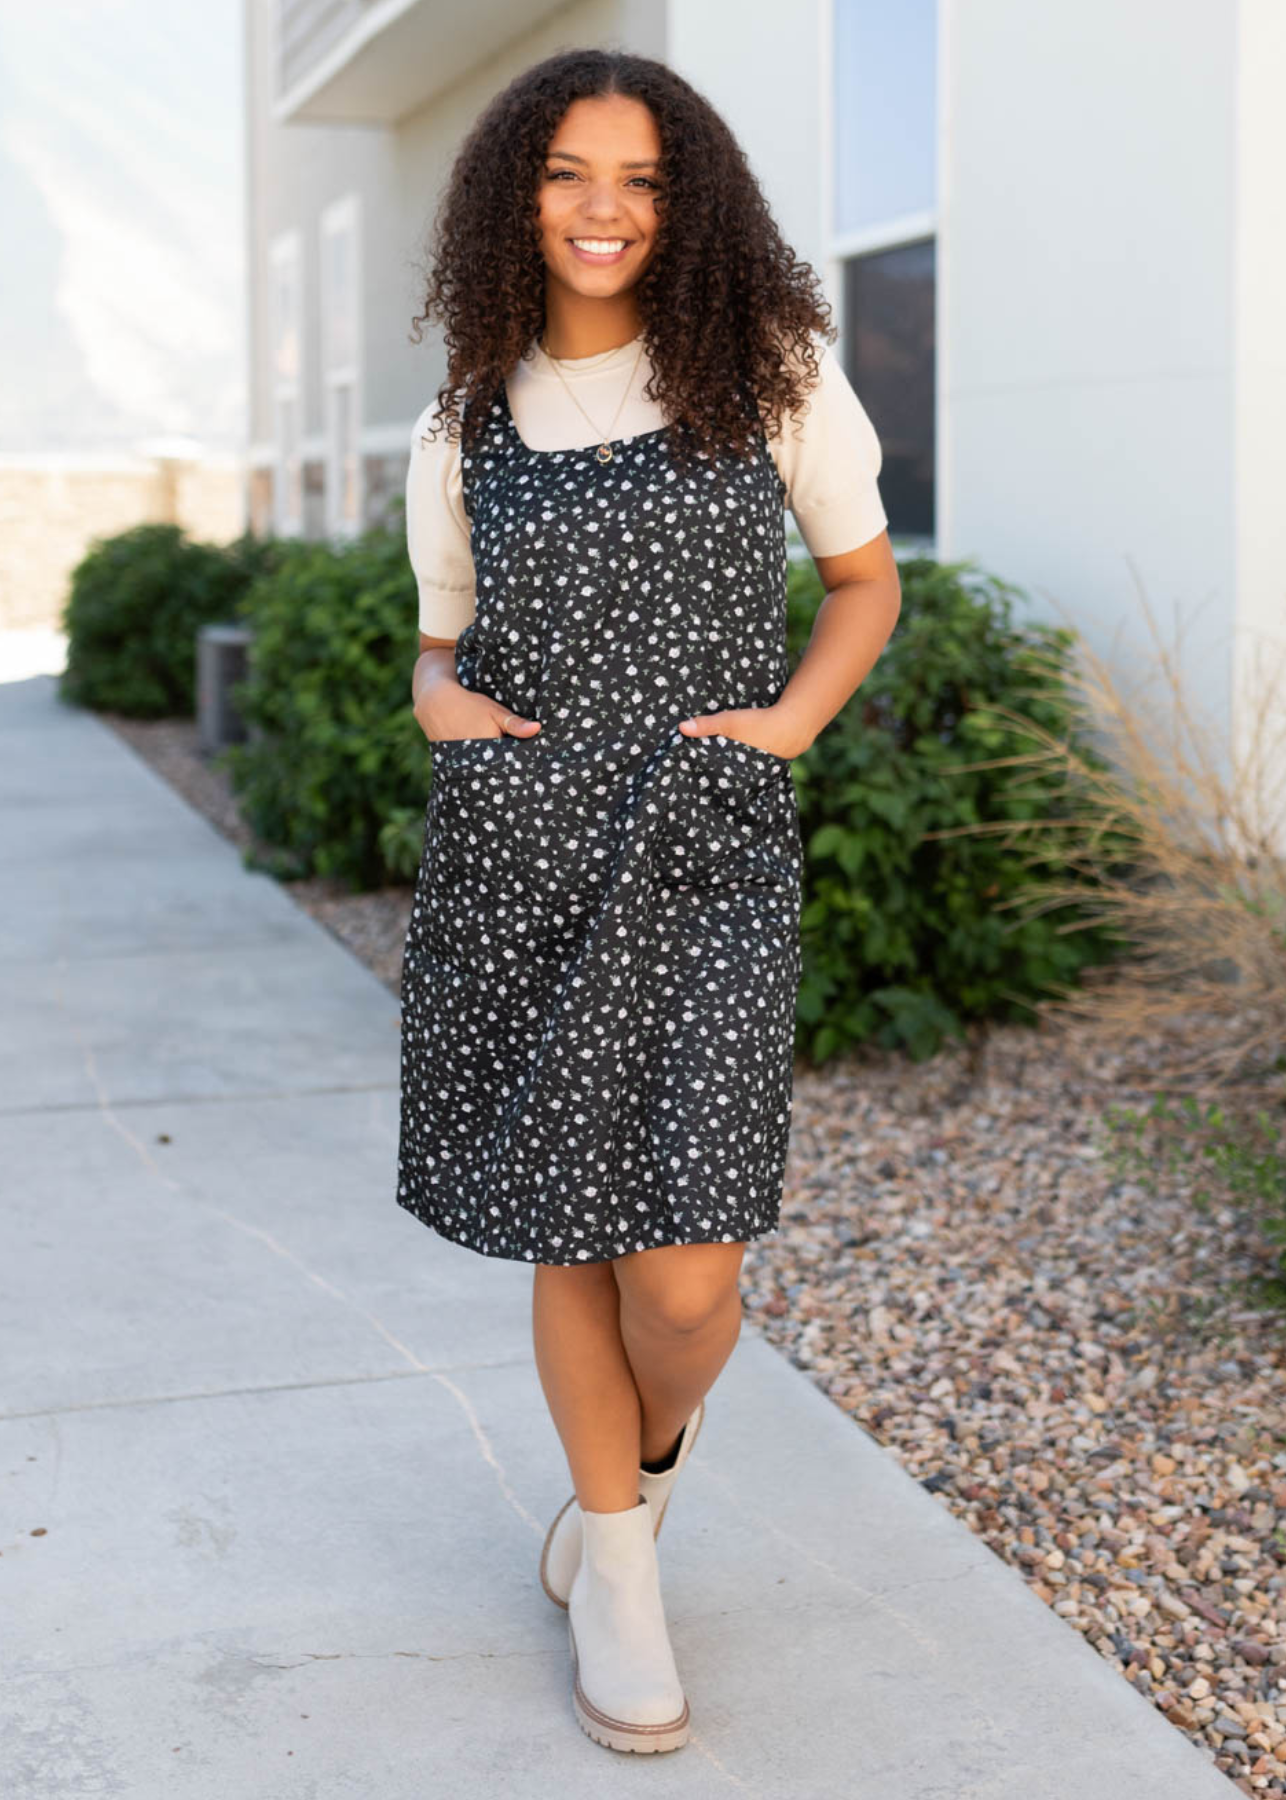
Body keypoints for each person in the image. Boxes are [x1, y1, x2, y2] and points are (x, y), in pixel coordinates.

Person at [396, 47, 901, 1755]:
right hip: (527, 849)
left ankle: (650, 1464)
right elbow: (438, 634)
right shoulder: (465, 414)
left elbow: (859, 579)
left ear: (686, 208)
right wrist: (443, 710)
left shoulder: (767, 373)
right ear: (509, 197)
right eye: (564, 172)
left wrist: (785, 729)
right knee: (574, 1218)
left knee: (686, 1278)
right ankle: (616, 1570)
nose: (602, 209)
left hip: (704, 849)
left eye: (640, 180)